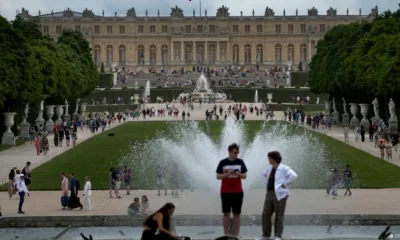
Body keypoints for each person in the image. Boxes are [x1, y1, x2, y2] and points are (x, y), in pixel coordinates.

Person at [261, 151, 297, 240]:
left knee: (279, 215)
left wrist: (285, 184)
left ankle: (277, 236)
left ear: (273, 159)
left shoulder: (284, 168)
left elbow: (294, 176)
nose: (268, 160)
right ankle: (266, 235)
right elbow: (264, 174)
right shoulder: (270, 168)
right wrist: (267, 183)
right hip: (269, 194)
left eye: (269, 158)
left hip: (280, 195)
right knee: (265, 214)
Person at [216, 143, 248, 237]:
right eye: (235, 152)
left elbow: (245, 176)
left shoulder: (240, 162)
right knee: (226, 213)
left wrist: (238, 174)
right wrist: (227, 174)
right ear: (229, 151)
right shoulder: (223, 162)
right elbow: (218, 176)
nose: (236, 154)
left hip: (238, 191)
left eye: (237, 152)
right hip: (225, 191)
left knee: (236, 214)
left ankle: (237, 234)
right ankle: (225, 234)